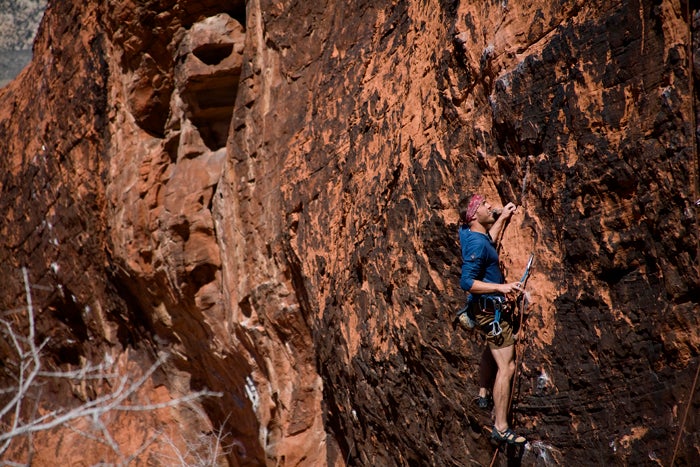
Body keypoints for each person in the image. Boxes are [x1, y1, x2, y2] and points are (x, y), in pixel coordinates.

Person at [457, 193, 527, 446]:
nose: (490, 206)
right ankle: (500, 427)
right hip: (490, 314)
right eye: (485, 205)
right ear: (475, 215)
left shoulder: (467, 232)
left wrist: (502, 215)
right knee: (506, 366)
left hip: (481, 311)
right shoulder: (475, 243)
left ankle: (483, 391)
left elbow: (486, 242)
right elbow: (466, 282)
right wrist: (501, 287)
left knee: (491, 348)